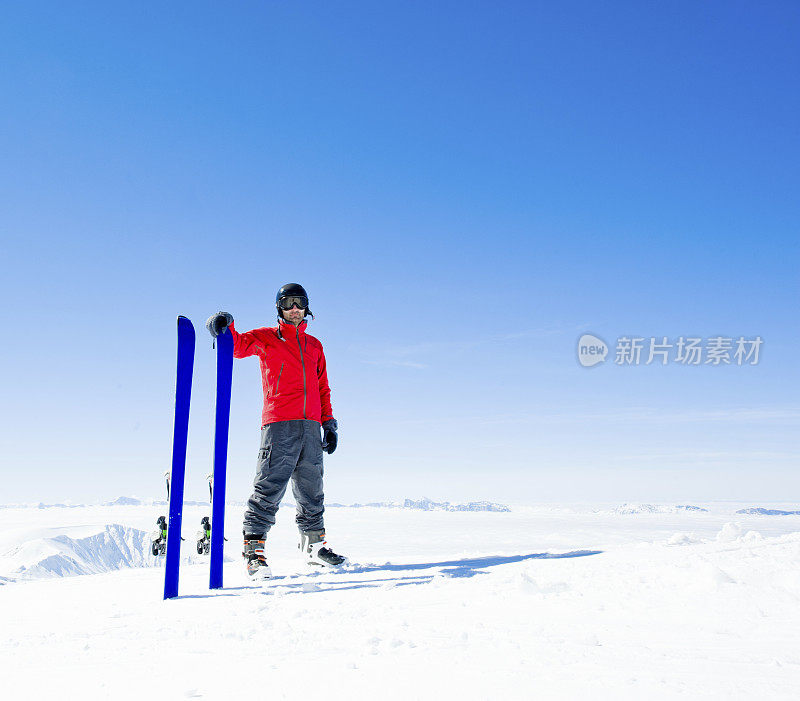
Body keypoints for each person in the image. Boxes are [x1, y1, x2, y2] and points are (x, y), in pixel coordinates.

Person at [205, 283, 346, 579]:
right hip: (279, 425)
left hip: (311, 427)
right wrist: (223, 323)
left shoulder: (315, 345)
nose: (294, 308)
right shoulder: (267, 338)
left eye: (300, 302)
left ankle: (314, 549)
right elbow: (237, 345)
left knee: (312, 491)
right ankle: (254, 552)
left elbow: (322, 387)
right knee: (268, 488)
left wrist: (329, 423)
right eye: (288, 303)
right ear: (279, 308)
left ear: (307, 307)